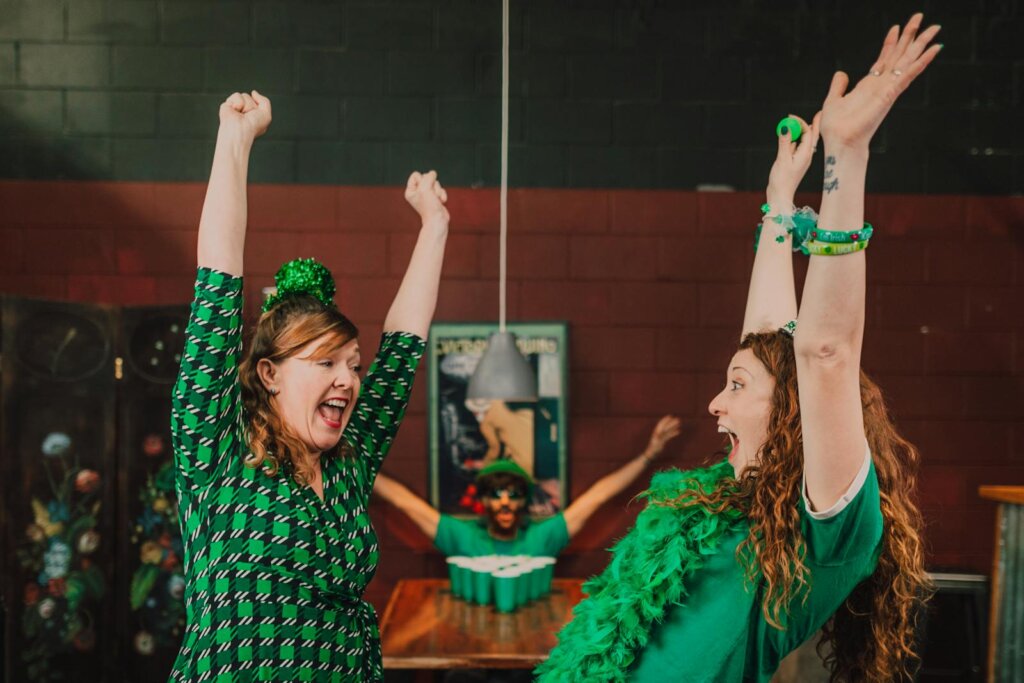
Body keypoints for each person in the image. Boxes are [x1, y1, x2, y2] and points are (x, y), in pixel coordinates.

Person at [536, 15, 940, 683]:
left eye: (737, 387)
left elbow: (822, 351)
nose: (715, 401)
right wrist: (779, 202)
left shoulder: (827, 535)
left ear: (794, 414)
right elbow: (769, 340)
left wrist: (846, 155)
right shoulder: (738, 500)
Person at [170, 90, 449, 681]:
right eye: (325, 363)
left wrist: (435, 224)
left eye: (352, 364)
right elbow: (217, 280)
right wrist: (236, 141)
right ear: (269, 373)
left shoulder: (349, 464)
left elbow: (401, 347)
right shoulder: (218, 450)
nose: (348, 379)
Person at [373, 416, 682, 558]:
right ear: (484, 501)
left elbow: (597, 497)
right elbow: (405, 501)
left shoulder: (540, 539)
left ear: (524, 501)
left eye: (514, 493)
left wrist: (647, 456)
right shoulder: (465, 539)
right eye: (496, 494)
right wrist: (355, 467)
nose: (505, 502)